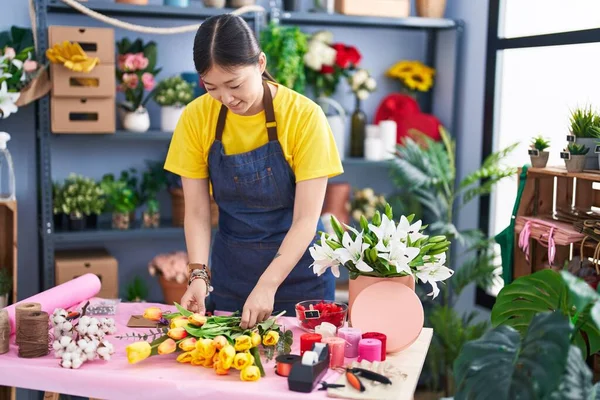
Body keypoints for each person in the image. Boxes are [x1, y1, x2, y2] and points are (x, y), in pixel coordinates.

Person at [163, 14, 343, 330]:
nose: (227, 99)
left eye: (235, 84)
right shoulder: (196, 118)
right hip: (233, 274)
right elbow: (197, 212)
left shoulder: (304, 117)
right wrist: (198, 275)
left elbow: (305, 220)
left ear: (260, 64)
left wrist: (268, 284)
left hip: (301, 277)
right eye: (211, 87)